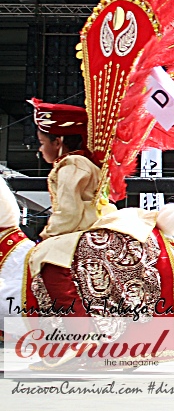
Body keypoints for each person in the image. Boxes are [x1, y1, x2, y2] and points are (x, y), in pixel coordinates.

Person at [29, 98, 102, 316]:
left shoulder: (72, 165)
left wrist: (47, 235)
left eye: (42, 143)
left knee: (49, 264)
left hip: (81, 227)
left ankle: (76, 326)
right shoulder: (80, 162)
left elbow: (68, 212)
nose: (39, 151)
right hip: (83, 224)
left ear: (58, 141)